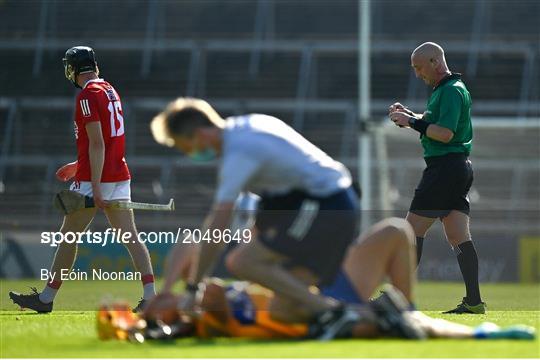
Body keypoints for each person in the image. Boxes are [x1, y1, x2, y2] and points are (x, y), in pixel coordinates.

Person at [150, 97, 360, 339]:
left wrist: (193, 287)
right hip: (331, 203)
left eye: (186, 147)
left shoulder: (238, 154)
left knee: (241, 261)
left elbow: (217, 227)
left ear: (199, 134)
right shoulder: (250, 124)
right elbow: (280, 194)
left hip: (326, 206)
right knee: (283, 310)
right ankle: (376, 317)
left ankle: (332, 311)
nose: (190, 154)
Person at [9, 46, 155, 313]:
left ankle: (46, 299)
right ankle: (150, 296)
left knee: (68, 236)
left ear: (73, 69)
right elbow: (107, 141)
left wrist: (95, 187)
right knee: (130, 236)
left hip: (94, 179)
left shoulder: (87, 95)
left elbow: (98, 143)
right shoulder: (110, 90)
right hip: (118, 174)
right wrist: (79, 165)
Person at [389, 42, 485, 314]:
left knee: (411, 232)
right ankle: (474, 302)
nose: (417, 73)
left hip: (444, 169)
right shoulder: (445, 90)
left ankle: (397, 300)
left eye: (419, 67)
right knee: (457, 235)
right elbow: (434, 124)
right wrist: (410, 116)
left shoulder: (452, 91)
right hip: (456, 168)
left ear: (434, 62)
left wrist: (412, 123)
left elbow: (445, 134)